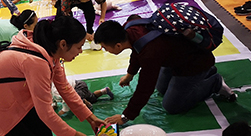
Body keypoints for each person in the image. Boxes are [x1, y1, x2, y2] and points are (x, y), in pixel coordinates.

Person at [94, 18, 235, 125]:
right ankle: (208, 71)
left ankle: (214, 83)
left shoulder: (150, 53)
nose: (105, 50)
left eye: (105, 48)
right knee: (161, 88)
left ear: (118, 45)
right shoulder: (130, 28)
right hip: (176, 57)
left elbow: (145, 88)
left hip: (193, 63)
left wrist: (126, 116)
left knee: (171, 106)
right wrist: (130, 74)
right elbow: (136, 51)